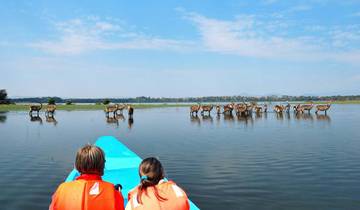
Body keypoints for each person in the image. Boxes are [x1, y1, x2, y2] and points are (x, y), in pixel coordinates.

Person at [49, 145, 125, 210]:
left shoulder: (61, 190)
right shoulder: (113, 193)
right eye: (104, 162)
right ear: (101, 165)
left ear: (78, 165)